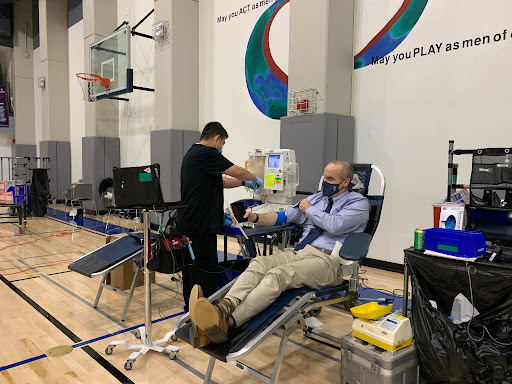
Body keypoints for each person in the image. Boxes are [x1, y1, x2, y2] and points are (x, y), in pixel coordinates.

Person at [189, 160, 370, 345]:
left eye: (330, 178)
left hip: (327, 261)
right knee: (259, 263)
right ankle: (223, 309)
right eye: (324, 176)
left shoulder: (359, 204)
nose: (325, 181)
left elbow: (335, 225)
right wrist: (255, 217)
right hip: (300, 251)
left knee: (278, 275)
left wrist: (310, 210)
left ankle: (227, 322)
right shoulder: (316, 199)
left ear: (345, 182)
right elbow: (283, 216)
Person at [178, 122, 263, 315]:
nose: (222, 146)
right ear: (217, 138)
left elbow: (223, 181)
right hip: (199, 224)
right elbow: (238, 171)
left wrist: (243, 182)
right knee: (204, 269)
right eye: (223, 142)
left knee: (192, 268)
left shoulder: (194, 154)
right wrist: (255, 178)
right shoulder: (207, 153)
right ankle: (206, 312)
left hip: (192, 222)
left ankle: (191, 307)